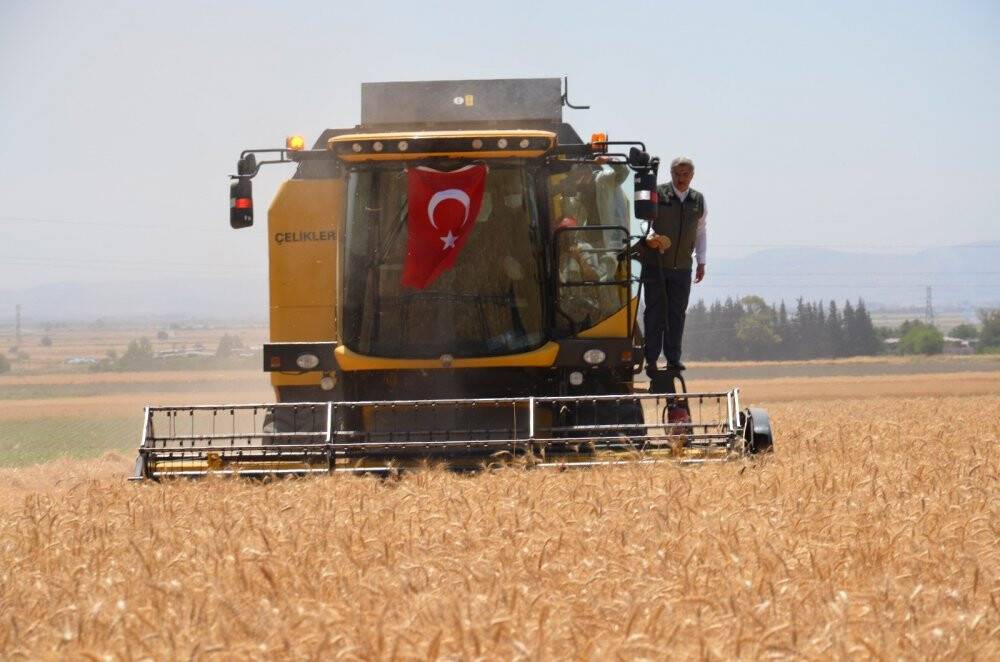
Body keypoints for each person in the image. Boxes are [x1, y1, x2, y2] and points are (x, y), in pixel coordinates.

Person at [641, 156, 707, 374]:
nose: (681, 178)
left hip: (683, 268)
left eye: (685, 174)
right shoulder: (658, 194)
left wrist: (701, 261)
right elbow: (644, 224)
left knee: (677, 314)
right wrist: (652, 237)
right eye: (677, 174)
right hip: (656, 264)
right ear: (671, 174)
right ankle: (650, 358)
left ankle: (673, 359)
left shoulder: (698, 200)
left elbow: (700, 232)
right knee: (655, 312)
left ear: (692, 175)